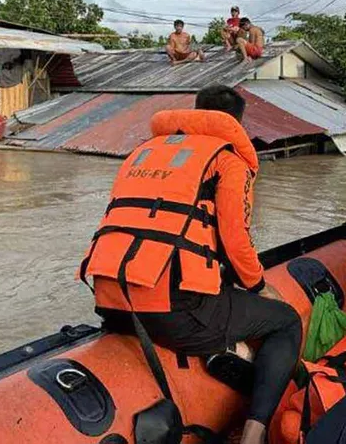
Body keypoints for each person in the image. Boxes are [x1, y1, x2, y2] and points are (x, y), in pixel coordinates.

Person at [78, 86, 302, 444]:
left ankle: (222, 349)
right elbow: (235, 239)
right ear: (235, 122)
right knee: (286, 322)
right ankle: (254, 434)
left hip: (111, 303)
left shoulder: (145, 152)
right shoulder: (227, 159)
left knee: (211, 282)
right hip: (171, 311)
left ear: (197, 112)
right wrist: (261, 286)